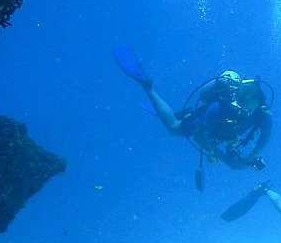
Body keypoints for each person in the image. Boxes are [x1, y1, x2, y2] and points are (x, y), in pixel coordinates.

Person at [114, 47, 272, 184]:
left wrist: (252, 155)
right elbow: (200, 134)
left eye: (251, 102)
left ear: (259, 102)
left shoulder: (263, 116)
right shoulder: (219, 108)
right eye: (243, 99)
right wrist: (212, 151)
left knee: (237, 165)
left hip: (219, 129)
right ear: (238, 94)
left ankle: (166, 102)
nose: (244, 107)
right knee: (174, 127)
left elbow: (262, 137)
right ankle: (148, 88)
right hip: (206, 123)